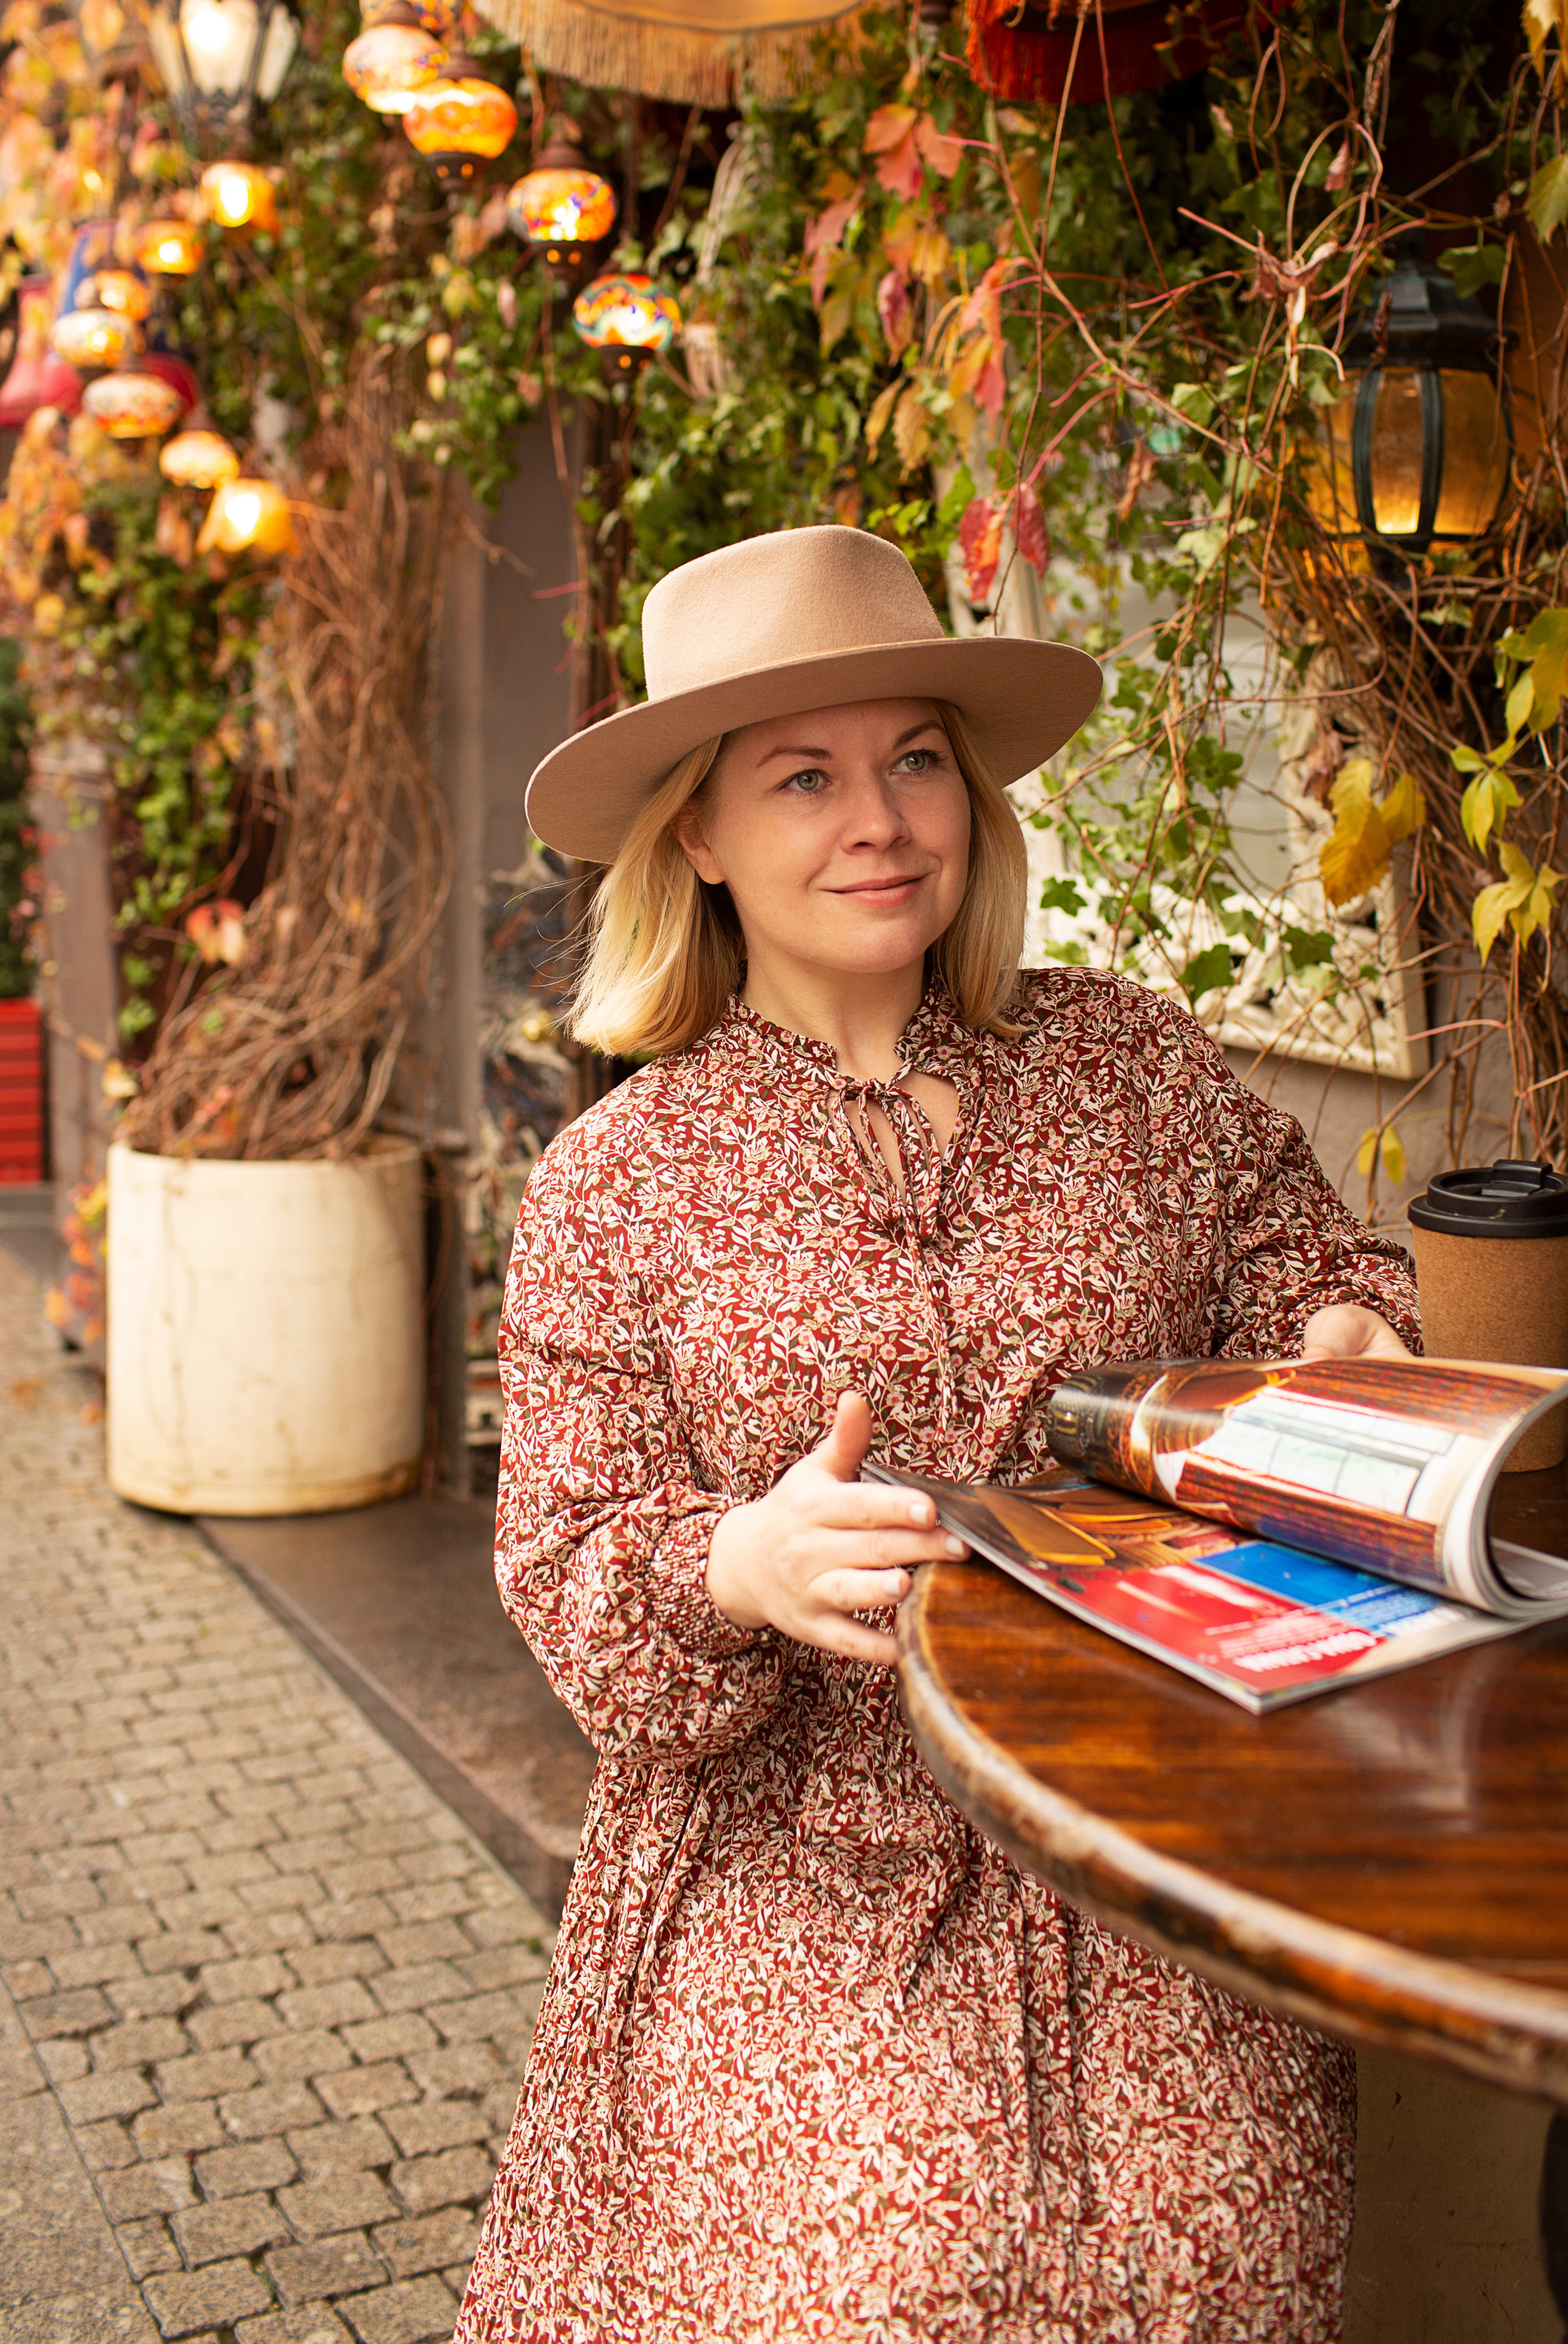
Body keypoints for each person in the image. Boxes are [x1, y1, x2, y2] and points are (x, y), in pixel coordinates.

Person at [456, 526, 1418, 2344]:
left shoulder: (1125, 1064)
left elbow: (1312, 1259)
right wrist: (728, 1561)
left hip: (1154, 1810)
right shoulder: (616, 1183)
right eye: (800, 777)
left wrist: (1342, 1334)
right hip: (802, 1862)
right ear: (700, 838)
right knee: (874, 2283)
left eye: (911, 758)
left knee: (1218, 2259)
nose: (877, 818)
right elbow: (568, 1555)